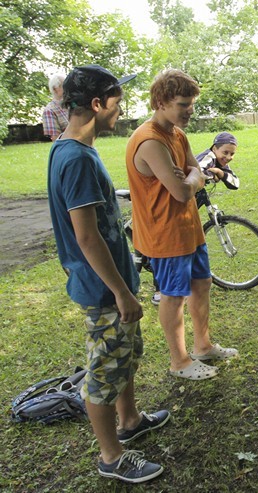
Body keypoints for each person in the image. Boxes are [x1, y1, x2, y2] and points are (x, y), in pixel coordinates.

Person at [47, 64, 170, 484]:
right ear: (97, 104)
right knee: (104, 371)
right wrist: (120, 291)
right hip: (103, 290)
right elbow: (85, 237)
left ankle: (130, 420)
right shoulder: (76, 159)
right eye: (117, 99)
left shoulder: (72, 149)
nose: (122, 107)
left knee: (123, 357)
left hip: (113, 284)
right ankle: (111, 456)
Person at [125, 69, 238, 381]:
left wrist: (190, 176)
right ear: (161, 102)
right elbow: (182, 190)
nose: (190, 110)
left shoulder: (177, 133)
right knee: (173, 296)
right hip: (165, 235)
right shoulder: (149, 141)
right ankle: (179, 361)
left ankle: (203, 346)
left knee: (201, 284)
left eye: (192, 104)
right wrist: (191, 178)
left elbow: (195, 174)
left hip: (189, 229)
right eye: (183, 104)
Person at [150, 131, 241, 305]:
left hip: (187, 199)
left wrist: (221, 174)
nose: (228, 157)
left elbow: (235, 182)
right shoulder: (208, 157)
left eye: (232, 154)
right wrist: (210, 174)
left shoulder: (219, 162)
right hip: (174, 200)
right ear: (215, 148)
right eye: (225, 152)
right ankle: (159, 290)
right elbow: (197, 171)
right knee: (168, 242)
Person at [42, 74, 69, 141]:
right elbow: (56, 140)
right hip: (67, 147)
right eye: (64, 85)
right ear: (55, 89)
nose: (68, 88)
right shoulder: (49, 111)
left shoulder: (72, 104)